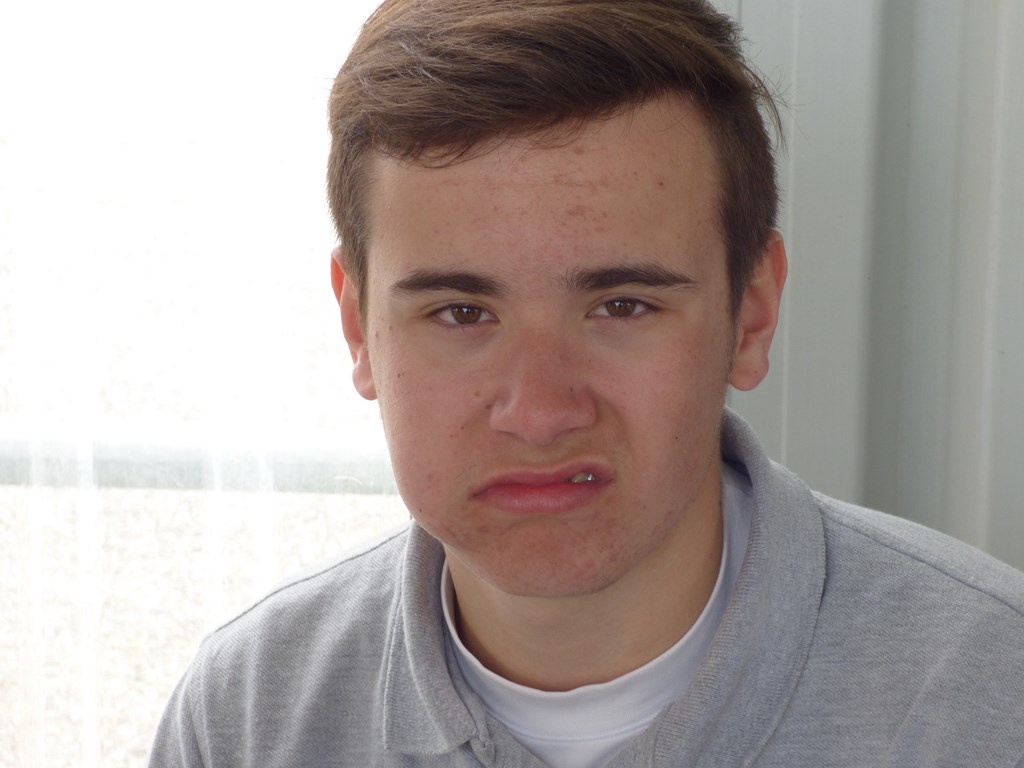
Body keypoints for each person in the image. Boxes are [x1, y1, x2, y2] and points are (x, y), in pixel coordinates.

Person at [148, 1, 1024, 766]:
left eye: (621, 305)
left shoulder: (993, 693)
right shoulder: (246, 716)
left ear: (751, 316)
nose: (538, 413)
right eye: (462, 312)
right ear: (358, 329)